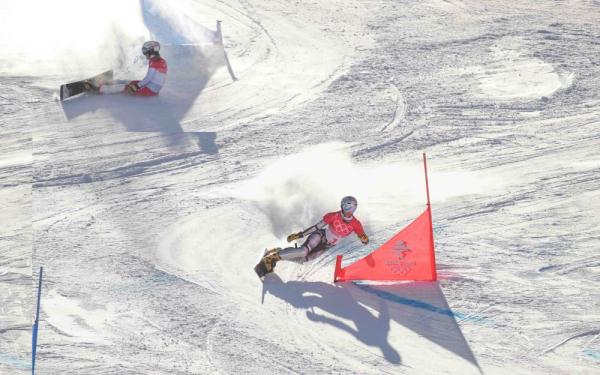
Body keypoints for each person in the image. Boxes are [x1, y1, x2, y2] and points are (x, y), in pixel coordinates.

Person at [255, 196, 369, 277]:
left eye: (350, 207)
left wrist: (364, 239)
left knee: (303, 259)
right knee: (304, 251)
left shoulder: (356, 223)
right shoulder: (333, 216)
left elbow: (362, 236)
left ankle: (278, 253)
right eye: (346, 206)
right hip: (320, 236)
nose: (347, 209)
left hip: (327, 246)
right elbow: (317, 227)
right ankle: (271, 258)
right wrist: (300, 235)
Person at [84, 41, 167, 96]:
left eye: (145, 51)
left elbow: (148, 78)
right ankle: (108, 82)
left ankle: (98, 88)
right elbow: (155, 79)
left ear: (150, 51)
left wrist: (137, 87)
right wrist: (137, 85)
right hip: (153, 88)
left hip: (150, 90)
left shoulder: (155, 62)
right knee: (129, 82)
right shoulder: (160, 60)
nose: (145, 54)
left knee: (124, 87)